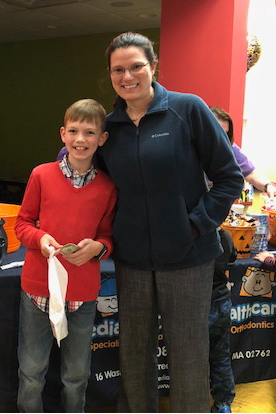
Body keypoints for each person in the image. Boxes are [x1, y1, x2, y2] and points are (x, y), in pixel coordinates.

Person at [96, 32, 244, 412]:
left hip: (189, 256)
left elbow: (229, 177)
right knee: (134, 353)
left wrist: (195, 223)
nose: (127, 76)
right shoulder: (109, 127)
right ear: (110, 74)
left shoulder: (187, 109)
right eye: (118, 70)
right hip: (132, 259)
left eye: (136, 67)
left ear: (153, 66)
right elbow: (96, 183)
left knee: (187, 352)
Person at [14, 98, 117, 413]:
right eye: (73, 131)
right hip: (38, 291)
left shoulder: (107, 188)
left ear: (102, 139)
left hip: (82, 295)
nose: (80, 139)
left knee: (76, 374)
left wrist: (98, 248)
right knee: (31, 372)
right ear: (62, 134)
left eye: (89, 132)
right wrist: (41, 238)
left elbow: (107, 236)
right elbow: (22, 224)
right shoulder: (41, 176)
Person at [209, 107, 276, 198]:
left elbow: (251, 173)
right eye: (218, 133)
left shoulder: (230, 148)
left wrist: (268, 186)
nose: (222, 139)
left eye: (225, 134)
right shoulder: (189, 148)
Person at [209, 228, 237, 413]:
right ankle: (223, 404)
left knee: (195, 359)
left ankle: (195, 401)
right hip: (222, 301)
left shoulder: (194, 235)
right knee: (221, 356)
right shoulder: (224, 235)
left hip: (200, 305)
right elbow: (233, 258)